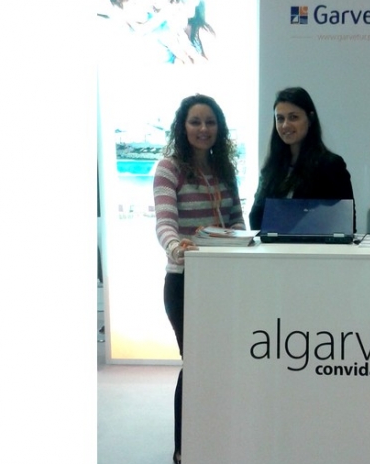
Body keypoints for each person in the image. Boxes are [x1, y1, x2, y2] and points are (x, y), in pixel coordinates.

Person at [152, 94, 246, 464]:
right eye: (195, 122)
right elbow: (165, 222)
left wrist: (243, 240)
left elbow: (236, 221)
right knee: (196, 365)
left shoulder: (224, 170)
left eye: (210, 122)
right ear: (183, 126)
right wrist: (176, 246)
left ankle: (217, 441)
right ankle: (184, 449)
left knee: (223, 364)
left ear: (219, 128)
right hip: (185, 283)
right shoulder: (169, 168)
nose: (203, 129)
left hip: (225, 283)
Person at [249, 87, 356, 231]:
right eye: (280, 119)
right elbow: (255, 217)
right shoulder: (271, 168)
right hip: (272, 245)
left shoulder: (330, 166)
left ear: (310, 119)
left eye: (293, 117)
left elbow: (345, 221)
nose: (285, 125)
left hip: (315, 245)